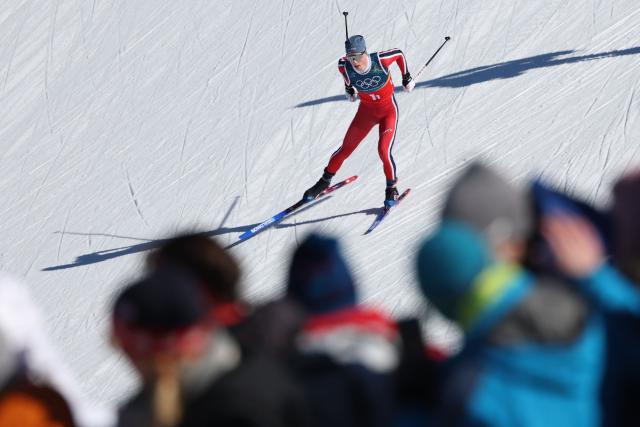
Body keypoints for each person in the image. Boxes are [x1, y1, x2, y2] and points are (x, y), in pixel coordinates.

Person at [303, 35, 415, 207]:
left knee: (383, 151)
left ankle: (391, 188)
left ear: (365, 52)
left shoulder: (379, 61)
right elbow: (344, 72)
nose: (354, 61)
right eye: (350, 57)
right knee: (345, 149)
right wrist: (349, 89)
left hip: (387, 113)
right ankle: (324, 182)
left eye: (356, 56)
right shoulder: (345, 66)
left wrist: (406, 77)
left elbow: (399, 53)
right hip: (366, 113)